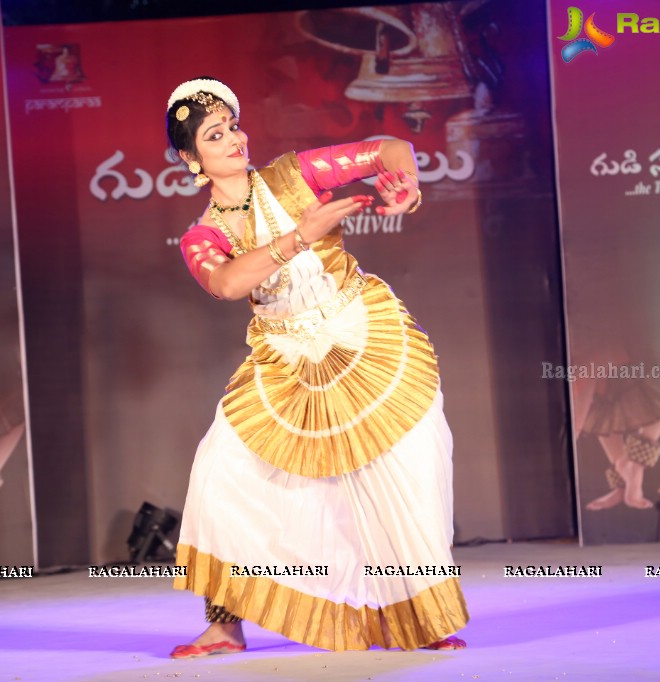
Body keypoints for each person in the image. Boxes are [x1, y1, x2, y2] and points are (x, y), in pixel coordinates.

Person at [165, 77, 469, 657]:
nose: (234, 140)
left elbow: (386, 149)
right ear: (190, 158)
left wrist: (406, 182)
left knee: (404, 469)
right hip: (284, 358)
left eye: (232, 127)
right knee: (219, 471)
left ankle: (419, 616)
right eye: (214, 135)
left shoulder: (292, 174)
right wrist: (300, 235)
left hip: (359, 333)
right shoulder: (202, 235)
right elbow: (227, 283)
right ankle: (225, 622)